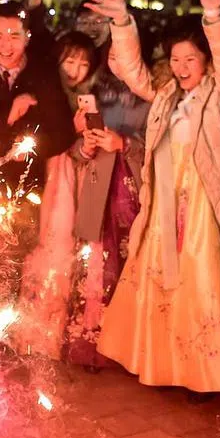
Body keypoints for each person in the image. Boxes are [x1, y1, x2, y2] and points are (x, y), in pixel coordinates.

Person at [94, 0, 220, 393]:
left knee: (204, 281)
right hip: (166, 201)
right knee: (165, 283)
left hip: (209, 205)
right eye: (175, 60)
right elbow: (133, 72)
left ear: (206, 61)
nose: (181, 67)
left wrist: (213, 15)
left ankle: (210, 372)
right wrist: (121, 20)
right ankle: (168, 365)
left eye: (190, 59)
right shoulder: (167, 95)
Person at [63, 33, 146, 369]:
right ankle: (96, 343)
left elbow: (161, 148)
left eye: (124, 52)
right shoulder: (92, 93)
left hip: (133, 190)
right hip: (99, 189)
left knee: (131, 265)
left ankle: (130, 348)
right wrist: (86, 145)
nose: (117, 61)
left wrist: (124, 143)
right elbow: (73, 150)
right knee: (98, 265)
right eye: (112, 54)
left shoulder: (150, 97)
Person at [0, 1, 76, 193]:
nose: (6, 46)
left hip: (28, 185)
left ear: (27, 37)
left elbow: (64, 132)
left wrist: (33, 147)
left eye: (14, 36)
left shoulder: (43, 73)